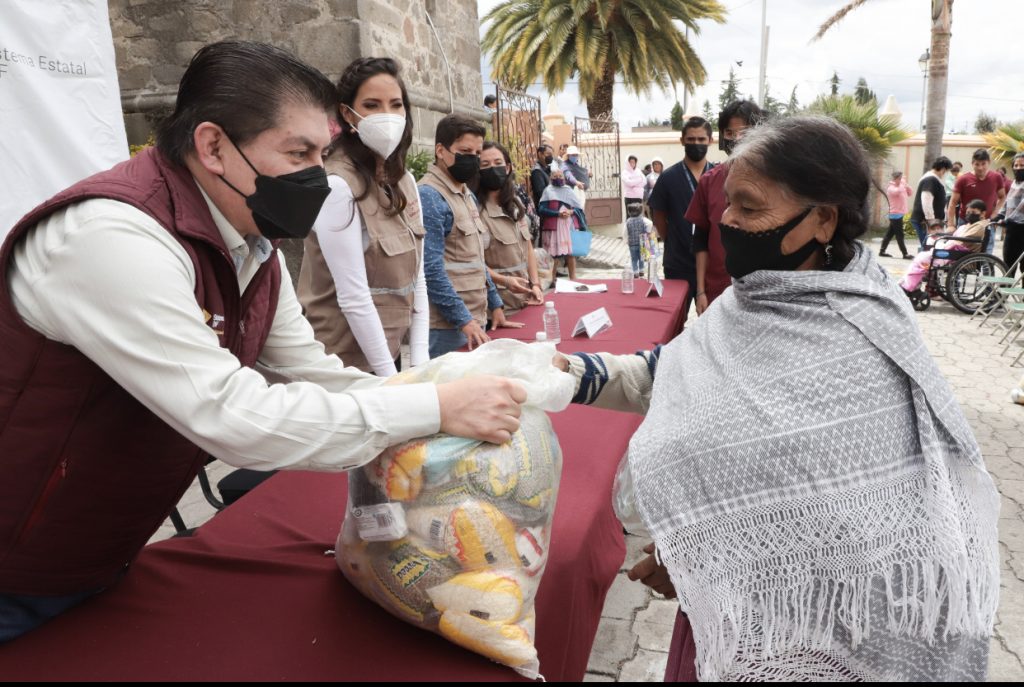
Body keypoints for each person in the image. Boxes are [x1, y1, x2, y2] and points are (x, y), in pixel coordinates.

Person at [0, 41, 527, 642]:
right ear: (214, 146)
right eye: (297, 152)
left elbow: (312, 369)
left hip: (100, 547)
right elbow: (233, 417)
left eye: (322, 153)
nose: (318, 177)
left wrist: (431, 396)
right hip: (18, 566)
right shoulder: (111, 236)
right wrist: (432, 406)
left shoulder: (252, 246)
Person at [558, 115, 998, 681]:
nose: (726, 221)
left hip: (828, 634)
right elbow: (668, 373)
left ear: (822, 219)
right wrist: (567, 372)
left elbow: (854, 521)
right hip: (730, 619)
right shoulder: (747, 305)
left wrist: (712, 551)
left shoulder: (864, 331)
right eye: (727, 204)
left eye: (747, 206)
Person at [296, 57, 424, 377]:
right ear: (347, 113)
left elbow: (417, 279)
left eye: (396, 105)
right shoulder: (339, 185)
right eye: (371, 104)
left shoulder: (404, 181)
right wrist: (391, 380)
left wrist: (421, 363)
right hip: (344, 365)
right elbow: (353, 297)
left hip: (387, 358)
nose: (387, 115)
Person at [420, 114, 519, 358]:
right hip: (447, 326)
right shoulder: (430, 195)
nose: (472, 160)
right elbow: (431, 269)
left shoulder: (466, 194)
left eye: (476, 154)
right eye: (465, 151)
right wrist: (464, 321)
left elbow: (476, 259)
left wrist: (495, 304)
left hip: (475, 317)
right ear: (441, 151)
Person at [689, 100, 765, 316]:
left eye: (744, 132)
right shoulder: (709, 181)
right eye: (729, 132)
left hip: (760, 290)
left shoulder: (775, 181)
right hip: (717, 290)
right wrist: (701, 291)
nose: (736, 138)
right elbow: (701, 239)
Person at [649, 116, 715, 302]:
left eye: (701, 139)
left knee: (712, 324)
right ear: (682, 141)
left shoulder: (718, 176)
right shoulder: (668, 177)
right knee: (677, 322)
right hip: (678, 262)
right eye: (691, 139)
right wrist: (671, 239)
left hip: (712, 264)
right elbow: (658, 215)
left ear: (710, 141)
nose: (696, 143)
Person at [477, 141, 544, 315]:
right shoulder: (476, 211)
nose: (493, 168)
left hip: (526, 302)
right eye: (485, 165)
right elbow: (473, 263)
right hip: (497, 309)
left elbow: (528, 247)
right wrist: (505, 281)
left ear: (507, 168)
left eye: (498, 163)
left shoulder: (515, 203)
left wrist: (535, 284)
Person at [899, 201, 989, 294]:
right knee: (922, 257)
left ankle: (910, 286)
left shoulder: (980, 226)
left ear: (983, 213)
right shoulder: (967, 226)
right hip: (953, 252)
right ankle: (909, 284)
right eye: (968, 213)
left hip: (957, 254)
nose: (969, 215)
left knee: (923, 259)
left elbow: (962, 240)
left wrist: (946, 243)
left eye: (973, 212)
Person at [537, 168, 587, 280]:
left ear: (564, 178)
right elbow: (541, 209)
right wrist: (557, 214)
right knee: (554, 255)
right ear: (551, 178)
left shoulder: (568, 190)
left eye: (560, 176)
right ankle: (552, 280)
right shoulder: (548, 191)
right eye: (555, 176)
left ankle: (573, 278)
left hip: (568, 227)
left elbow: (578, 208)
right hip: (554, 228)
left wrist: (570, 211)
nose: (558, 178)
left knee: (571, 254)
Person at [947, 149, 1007, 231]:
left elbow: (1002, 197)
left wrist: (995, 213)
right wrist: (950, 224)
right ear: (972, 164)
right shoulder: (963, 179)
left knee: (988, 244)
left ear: (989, 162)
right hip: (966, 222)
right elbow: (953, 202)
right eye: (977, 164)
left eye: (983, 164)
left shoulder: (997, 177)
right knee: (962, 244)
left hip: (987, 222)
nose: (980, 168)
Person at [910, 156, 953, 251]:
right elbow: (926, 201)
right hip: (925, 222)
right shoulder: (931, 179)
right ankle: (921, 265)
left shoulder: (932, 178)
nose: (945, 173)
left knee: (929, 247)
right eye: (946, 171)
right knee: (928, 248)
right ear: (942, 169)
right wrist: (931, 222)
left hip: (929, 221)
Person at [878, 170, 913, 259]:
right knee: (899, 235)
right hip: (895, 214)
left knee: (890, 234)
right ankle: (905, 254)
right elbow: (897, 192)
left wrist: (907, 185)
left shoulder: (901, 186)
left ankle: (882, 251)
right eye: (900, 178)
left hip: (900, 214)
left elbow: (910, 193)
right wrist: (902, 184)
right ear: (895, 179)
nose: (901, 180)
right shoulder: (891, 188)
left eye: (902, 178)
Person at [1002, 153, 1024, 275]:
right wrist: (1000, 215)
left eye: (1022, 165)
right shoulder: (1014, 182)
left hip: (1021, 227)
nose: (1018, 168)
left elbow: (1022, 206)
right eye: (1016, 165)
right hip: (1012, 228)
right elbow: (1007, 201)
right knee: (1008, 264)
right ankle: (1004, 292)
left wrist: (1008, 219)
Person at [624, 202, 653, 277]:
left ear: (629, 212)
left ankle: (635, 272)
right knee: (642, 258)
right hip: (642, 242)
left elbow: (625, 232)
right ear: (640, 211)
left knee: (634, 259)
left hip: (632, 243)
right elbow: (650, 223)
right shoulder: (643, 219)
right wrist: (648, 232)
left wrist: (626, 240)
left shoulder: (628, 221)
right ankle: (641, 270)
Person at [530, 144, 552, 209]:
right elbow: (542, 194)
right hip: (544, 209)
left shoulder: (546, 168)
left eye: (551, 155)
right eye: (548, 154)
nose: (550, 157)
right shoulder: (537, 171)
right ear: (540, 154)